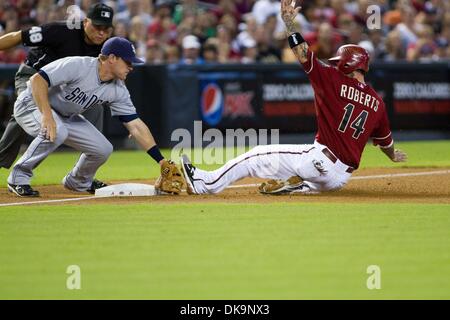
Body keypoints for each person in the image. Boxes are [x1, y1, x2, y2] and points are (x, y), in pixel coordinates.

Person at [180, 0, 407, 195]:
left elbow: (302, 53)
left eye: (339, 62)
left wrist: (288, 23)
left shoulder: (333, 79)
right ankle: (297, 185)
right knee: (308, 174)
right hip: (338, 180)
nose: (335, 65)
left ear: (349, 64)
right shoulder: (377, 103)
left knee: (256, 155)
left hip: (319, 160)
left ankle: (204, 183)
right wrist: (393, 155)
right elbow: (386, 142)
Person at [7, 37, 183, 197]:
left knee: (103, 148)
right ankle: (18, 178)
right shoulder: (79, 65)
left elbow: (136, 125)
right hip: (31, 104)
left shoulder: (118, 89)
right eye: (128, 62)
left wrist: (161, 161)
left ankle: (78, 181)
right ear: (112, 58)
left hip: (65, 115)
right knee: (57, 130)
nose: (131, 67)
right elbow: (38, 80)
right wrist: (46, 115)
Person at [0, 3, 114, 170]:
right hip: (32, 75)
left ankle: (85, 172)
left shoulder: (106, 46)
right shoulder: (61, 31)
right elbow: (18, 37)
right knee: (26, 106)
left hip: (63, 86)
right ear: (85, 22)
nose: (102, 32)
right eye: (97, 26)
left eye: (106, 28)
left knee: (95, 106)